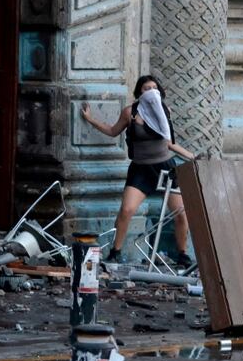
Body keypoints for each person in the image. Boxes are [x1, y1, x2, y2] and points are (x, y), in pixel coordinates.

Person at [80, 75, 195, 265]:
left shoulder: (164, 110)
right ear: (139, 93)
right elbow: (112, 131)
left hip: (165, 167)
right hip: (141, 169)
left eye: (154, 88)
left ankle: (182, 254)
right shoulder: (130, 113)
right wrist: (90, 119)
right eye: (146, 88)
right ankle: (115, 251)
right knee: (127, 209)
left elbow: (169, 143)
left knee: (180, 212)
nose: (150, 92)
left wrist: (191, 156)